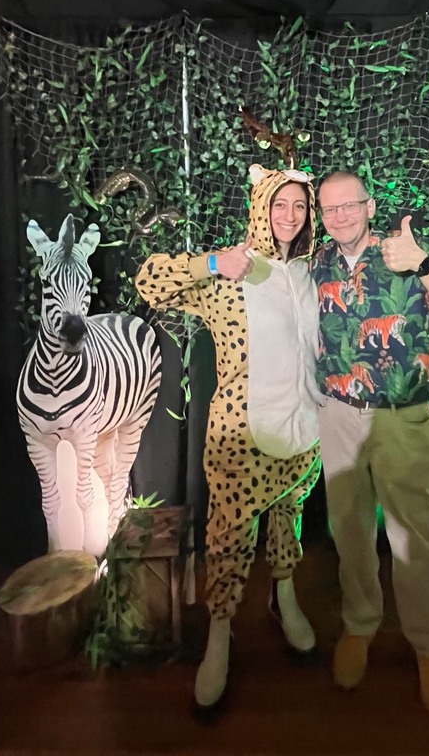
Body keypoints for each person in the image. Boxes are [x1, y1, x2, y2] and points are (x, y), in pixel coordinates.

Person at [135, 165, 322, 708]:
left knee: (290, 517)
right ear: (260, 208)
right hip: (241, 434)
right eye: (278, 204)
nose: (289, 216)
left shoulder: (313, 271)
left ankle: (283, 596)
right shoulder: (232, 273)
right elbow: (150, 281)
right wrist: (212, 261)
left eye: (299, 206)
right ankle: (220, 631)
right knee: (231, 535)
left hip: (302, 430)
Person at [311, 170, 429, 720]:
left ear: (369, 205)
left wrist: (425, 266)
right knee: (350, 531)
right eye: (329, 209)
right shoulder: (317, 267)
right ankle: (360, 624)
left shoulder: (405, 254)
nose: (340, 217)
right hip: (338, 417)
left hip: (403, 419)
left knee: (413, 538)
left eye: (348, 206)